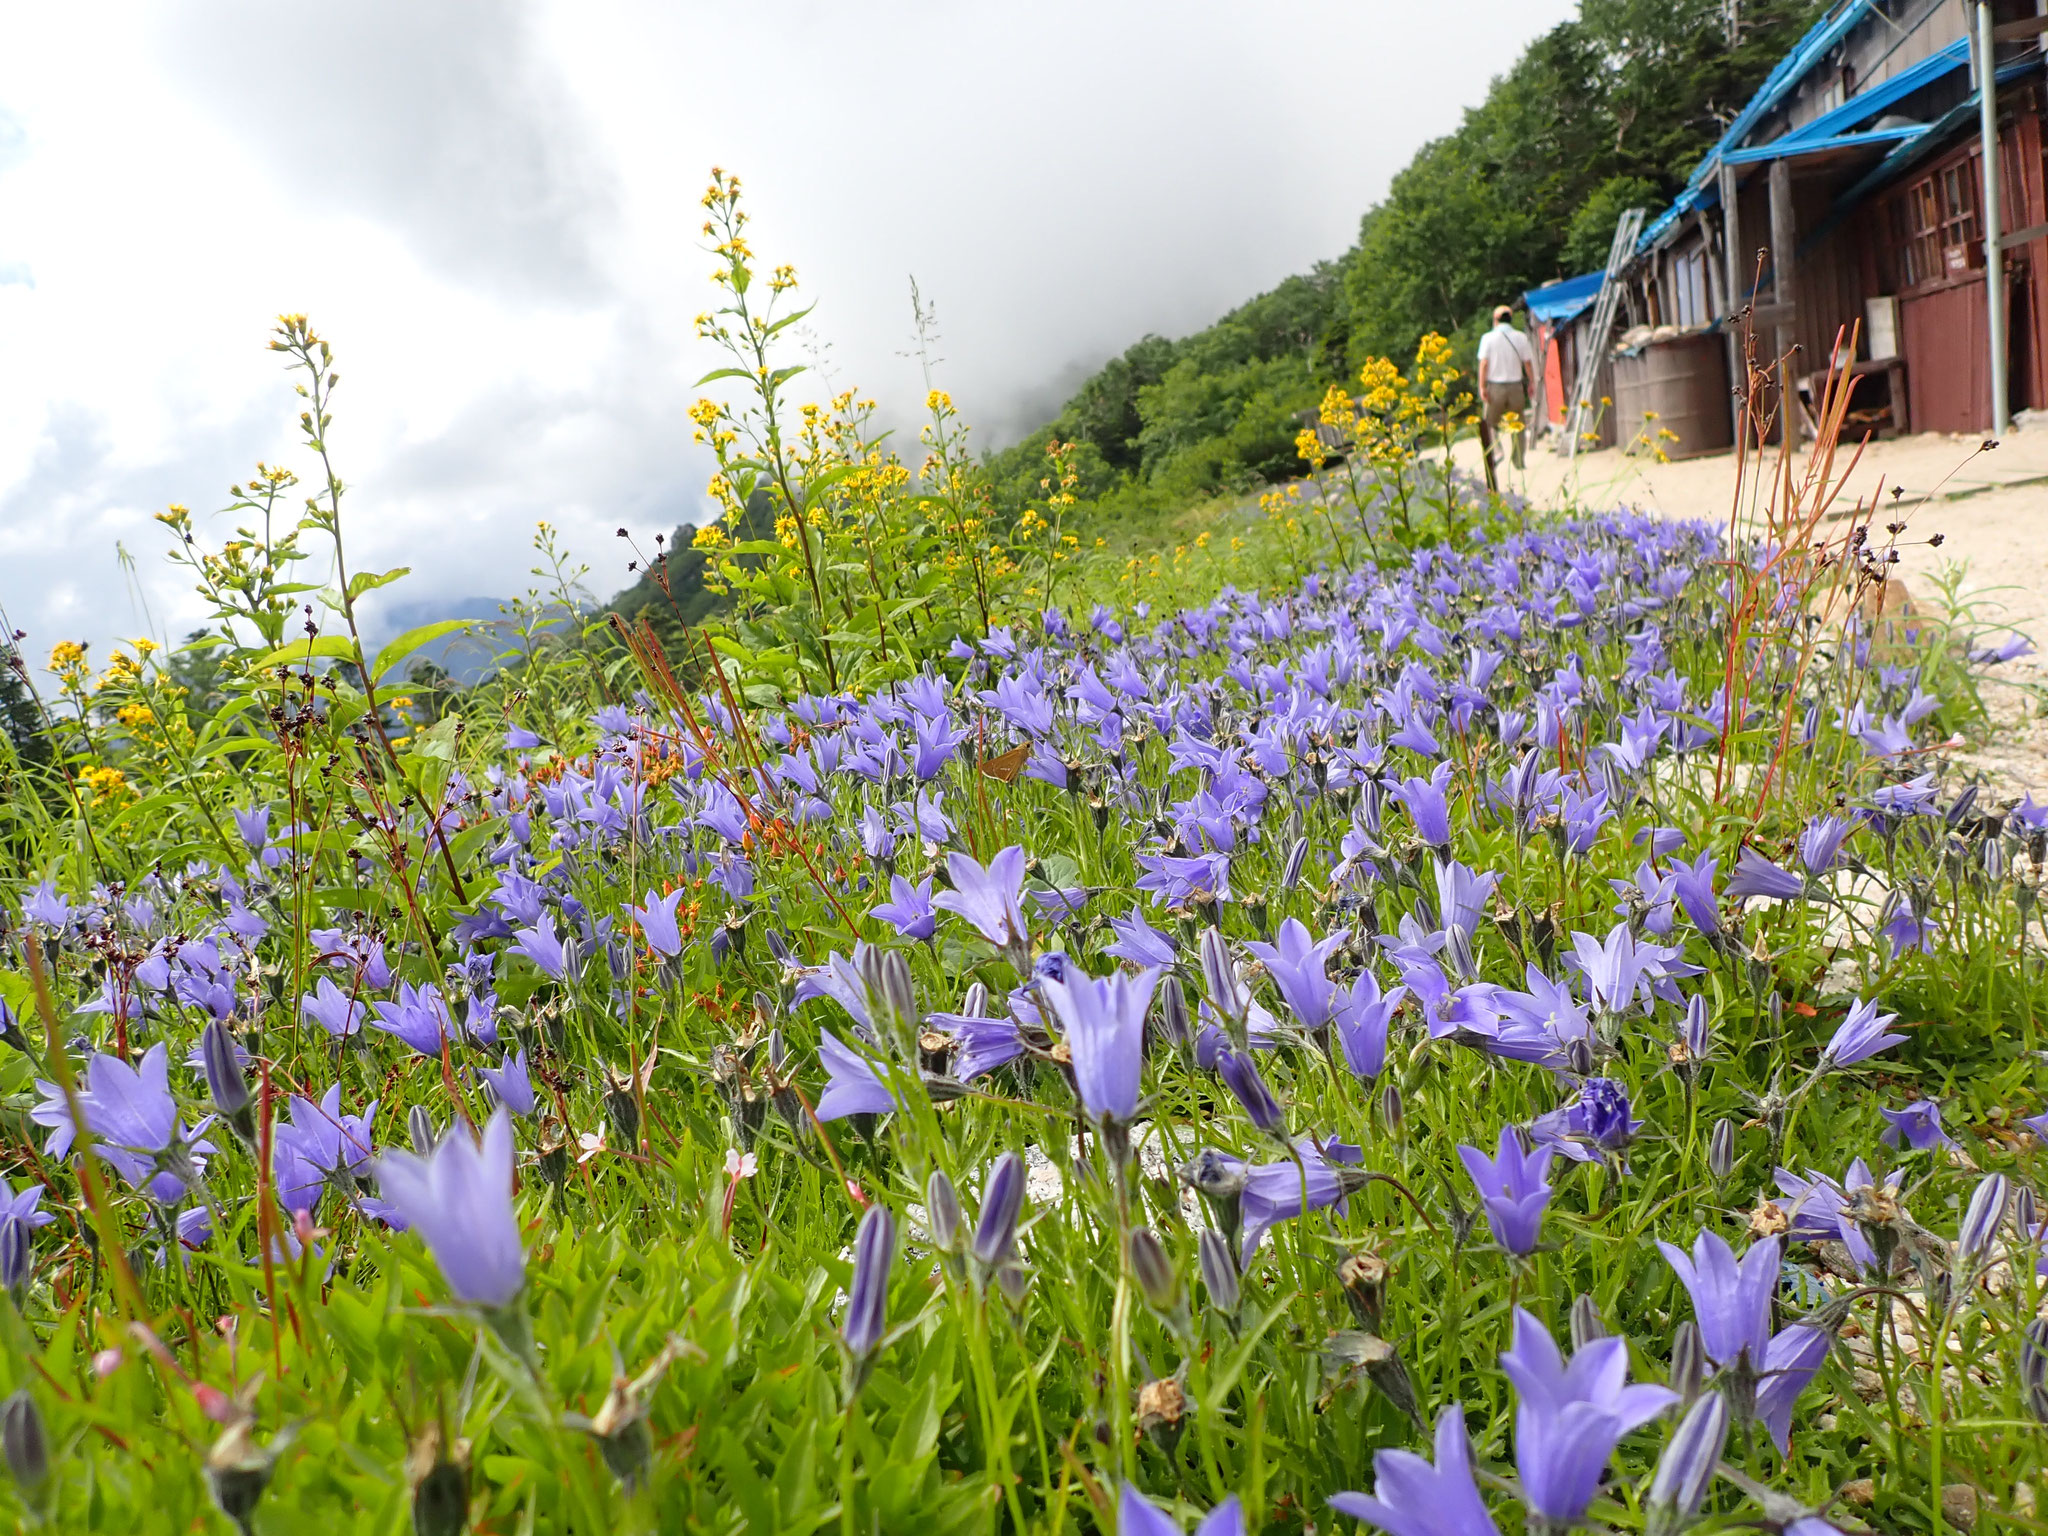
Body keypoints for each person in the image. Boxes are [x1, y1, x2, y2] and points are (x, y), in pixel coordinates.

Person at [1476, 304, 1537, 471]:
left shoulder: (1487, 338)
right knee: (1518, 425)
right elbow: (1528, 364)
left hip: (1495, 387)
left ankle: (1497, 452)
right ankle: (1518, 461)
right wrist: (1531, 383)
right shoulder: (1521, 337)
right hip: (1516, 387)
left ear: (1495, 320)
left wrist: (1482, 386)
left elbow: (1484, 363)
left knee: (1490, 422)